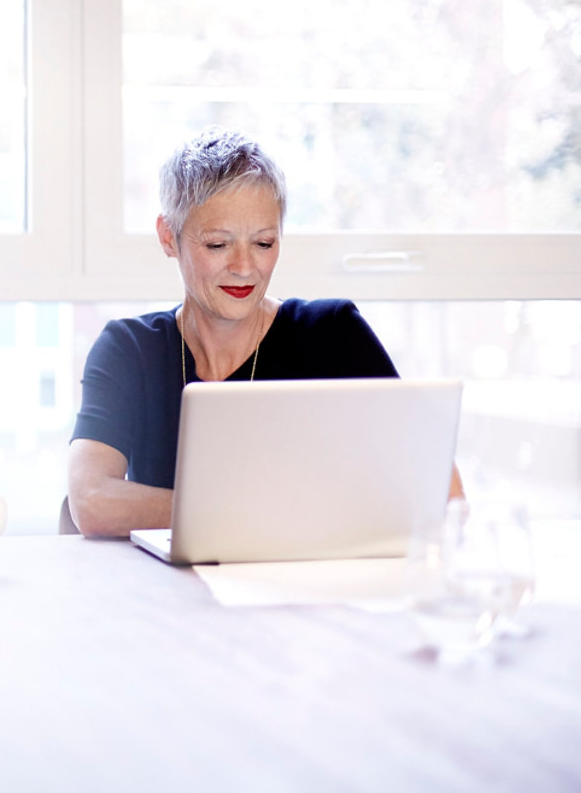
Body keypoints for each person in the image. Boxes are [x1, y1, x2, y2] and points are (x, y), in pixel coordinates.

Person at [67, 126, 462, 537]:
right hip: (167, 595)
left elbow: (443, 490)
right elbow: (91, 501)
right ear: (169, 237)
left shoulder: (331, 334)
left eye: (264, 243)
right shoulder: (130, 349)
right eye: (218, 245)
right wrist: (271, 513)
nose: (244, 267)